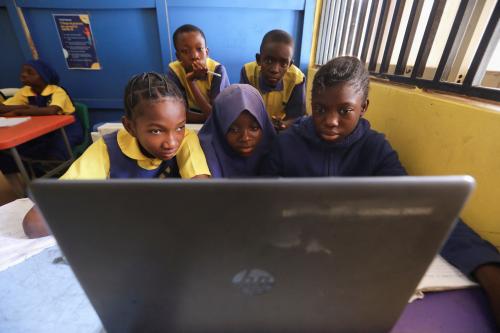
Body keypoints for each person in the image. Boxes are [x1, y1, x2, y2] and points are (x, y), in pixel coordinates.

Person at [260, 56, 500, 327]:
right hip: (297, 258)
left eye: (344, 110)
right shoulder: (286, 144)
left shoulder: (375, 150)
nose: (330, 121)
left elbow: (423, 209)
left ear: (363, 107)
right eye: (320, 109)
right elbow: (263, 202)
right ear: (310, 105)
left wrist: (486, 268)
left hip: (353, 265)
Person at [23, 72, 211, 238]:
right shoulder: (106, 149)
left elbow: (204, 196)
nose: (172, 142)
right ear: (130, 127)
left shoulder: (186, 139)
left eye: (179, 127)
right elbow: (34, 225)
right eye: (156, 131)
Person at [0, 60, 83, 172]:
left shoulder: (57, 91)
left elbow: (51, 111)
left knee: (57, 149)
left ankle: (56, 174)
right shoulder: (25, 92)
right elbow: (3, 109)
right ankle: (29, 175)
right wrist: (24, 108)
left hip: (66, 128)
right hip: (42, 129)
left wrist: (21, 111)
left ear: (44, 76)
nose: (24, 74)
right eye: (23, 71)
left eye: (30, 72)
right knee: (22, 150)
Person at [198, 84, 276, 177]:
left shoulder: (276, 150)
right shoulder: (203, 152)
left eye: (254, 128)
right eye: (234, 130)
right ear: (220, 127)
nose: (245, 138)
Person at [240, 29, 306, 131]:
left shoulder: (297, 79)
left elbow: (296, 117)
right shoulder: (248, 72)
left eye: (283, 64)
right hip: (254, 126)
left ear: (290, 65)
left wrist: (283, 125)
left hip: (281, 129)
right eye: (269, 61)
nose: (275, 70)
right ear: (259, 59)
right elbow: (244, 109)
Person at [167, 24, 230, 123]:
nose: (194, 56)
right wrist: (206, 117)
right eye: (185, 51)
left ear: (207, 52)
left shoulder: (217, 70)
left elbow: (217, 116)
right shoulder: (174, 71)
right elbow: (177, 113)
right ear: (178, 56)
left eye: (199, 49)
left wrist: (191, 81)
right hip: (191, 120)